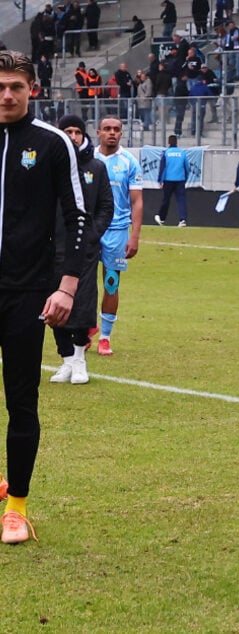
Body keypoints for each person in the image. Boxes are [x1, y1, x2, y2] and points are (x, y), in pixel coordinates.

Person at [0, 51, 89, 544]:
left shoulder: (53, 143)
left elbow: (78, 217)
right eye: (0, 86)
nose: (7, 95)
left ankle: (16, 509)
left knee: (21, 402)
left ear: (32, 88)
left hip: (27, 292)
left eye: (15, 86)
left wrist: (66, 286)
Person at [49, 115, 114, 386]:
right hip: (52, 248)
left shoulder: (95, 167)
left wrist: (91, 234)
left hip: (84, 250)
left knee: (82, 302)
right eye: (68, 131)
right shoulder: (50, 166)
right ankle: (65, 360)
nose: (73, 136)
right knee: (53, 305)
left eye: (77, 131)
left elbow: (106, 207)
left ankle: (79, 359)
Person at [93, 118, 143, 356]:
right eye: (107, 129)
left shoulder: (129, 162)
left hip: (117, 231)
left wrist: (134, 236)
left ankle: (105, 336)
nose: (112, 133)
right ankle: (85, 328)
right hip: (90, 230)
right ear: (98, 132)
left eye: (116, 130)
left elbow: (137, 201)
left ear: (121, 134)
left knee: (111, 283)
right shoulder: (89, 159)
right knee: (81, 282)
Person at [155, 135, 190, 227]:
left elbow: (162, 168)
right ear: (176, 142)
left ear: (168, 142)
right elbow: (187, 167)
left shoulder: (166, 153)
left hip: (168, 180)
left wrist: (160, 181)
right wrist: (185, 178)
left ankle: (162, 218)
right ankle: (183, 219)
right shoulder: (182, 153)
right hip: (180, 180)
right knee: (181, 200)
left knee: (166, 200)